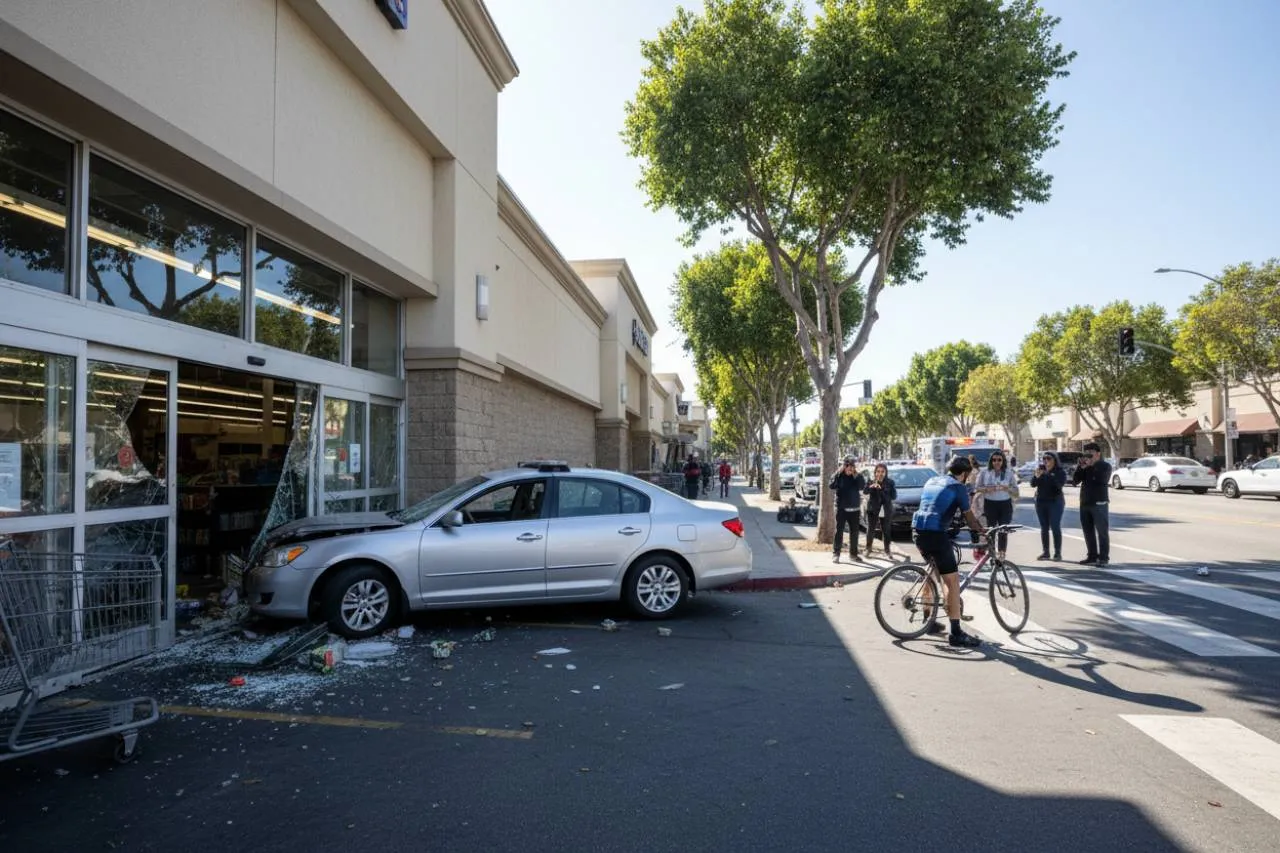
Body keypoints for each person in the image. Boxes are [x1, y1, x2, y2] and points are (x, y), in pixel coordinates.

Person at [911, 457, 987, 648]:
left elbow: (933, 505)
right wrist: (981, 532)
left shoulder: (932, 480)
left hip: (917, 531)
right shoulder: (958, 487)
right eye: (968, 476)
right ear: (964, 474)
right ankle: (956, 633)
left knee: (933, 571)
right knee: (952, 582)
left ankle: (928, 619)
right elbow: (969, 517)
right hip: (936, 533)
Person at [1071, 442, 1112, 566]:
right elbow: (1075, 481)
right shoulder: (1085, 466)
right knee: (1088, 531)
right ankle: (1092, 556)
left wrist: (1091, 465)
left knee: (1102, 531)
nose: (1088, 456)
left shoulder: (1104, 466)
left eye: (1091, 453)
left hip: (1099, 502)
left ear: (1098, 454)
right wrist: (1080, 467)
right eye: (1086, 453)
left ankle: (1104, 557)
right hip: (1085, 502)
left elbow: (1100, 480)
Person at [974, 451, 1018, 560]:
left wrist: (1007, 488)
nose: (996, 462)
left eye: (999, 460)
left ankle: (1002, 555)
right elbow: (977, 488)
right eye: (994, 460)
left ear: (1003, 461)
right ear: (991, 461)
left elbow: (1016, 491)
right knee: (991, 530)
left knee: (1003, 530)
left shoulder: (1009, 473)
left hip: (1005, 504)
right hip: (990, 504)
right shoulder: (984, 472)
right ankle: (992, 555)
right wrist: (987, 489)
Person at [829, 456, 866, 563]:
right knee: (839, 532)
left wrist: (857, 476)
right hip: (841, 509)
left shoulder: (857, 477)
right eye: (847, 466)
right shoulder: (839, 476)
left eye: (852, 466)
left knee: (854, 533)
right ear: (844, 466)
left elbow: (862, 486)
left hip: (854, 509)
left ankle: (853, 555)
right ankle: (836, 554)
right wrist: (838, 473)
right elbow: (831, 485)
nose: (850, 468)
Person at [1030, 451, 1066, 560]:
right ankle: (1046, 552)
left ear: (1054, 460)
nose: (1046, 461)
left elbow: (1058, 486)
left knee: (1055, 526)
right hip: (1041, 502)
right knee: (1044, 527)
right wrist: (1036, 476)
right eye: (1044, 459)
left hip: (1055, 502)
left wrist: (1048, 474)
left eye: (1048, 458)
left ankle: (1057, 553)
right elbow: (1032, 484)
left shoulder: (1060, 472)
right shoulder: (1041, 471)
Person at [863, 462, 897, 556]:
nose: (880, 474)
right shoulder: (870, 481)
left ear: (886, 473)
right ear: (875, 472)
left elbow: (894, 496)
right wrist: (871, 487)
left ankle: (887, 550)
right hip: (873, 509)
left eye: (882, 472)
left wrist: (882, 489)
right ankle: (868, 548)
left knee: (886, 530)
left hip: (885, 509)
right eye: (878, 471)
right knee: (871, 529)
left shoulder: (890, 482)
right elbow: (865, 491)